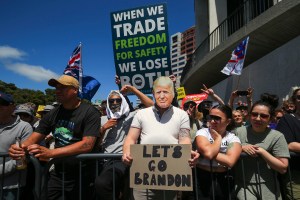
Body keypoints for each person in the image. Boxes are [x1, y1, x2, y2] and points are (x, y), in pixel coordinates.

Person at [9, 75, 101, 200]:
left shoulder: (90, 112)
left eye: (63, 87)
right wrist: (19, 148)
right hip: (58, 172)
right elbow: (34, 137)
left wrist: (51, 152)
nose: (57, 91)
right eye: (56, 88)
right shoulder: (53, 113)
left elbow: (87, 144)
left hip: (83, 175)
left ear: (75, 90)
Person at [122, 76, 199, 200]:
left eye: (166, 92)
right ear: (153, 94)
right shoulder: (141, 114)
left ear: (173, 94)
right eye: (158, 92)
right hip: (143, 177)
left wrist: (187, 153)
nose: (162, 96)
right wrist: (126, 152)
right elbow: (131, 138)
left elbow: (184, 139)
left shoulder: (182, 115)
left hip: (172, 177)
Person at [95, 84, 153, 200]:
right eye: (112, 100)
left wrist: (133, 90)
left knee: (104, 184)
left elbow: (152, 106)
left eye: (118, 100)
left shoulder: (132, 117)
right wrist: (103, 128)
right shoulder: (102, 120)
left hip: (123, 160)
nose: (115, 103)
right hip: (104, 161)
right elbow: (96, 144)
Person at [235, 93, 290, 200]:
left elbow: (283, 168)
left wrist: (262, 152)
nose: (258, 119)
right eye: (254, 114)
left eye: (264, 116)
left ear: (271, 119)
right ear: (250, 115)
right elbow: (226, 149)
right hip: (243, 185)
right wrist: (241, 148)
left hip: (269, 187)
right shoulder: (238, 132)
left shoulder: (277, 136)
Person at [195, 105, 241, 199]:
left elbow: (230, 161)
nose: (212, 121)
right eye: (210, 117)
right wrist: (218, 141)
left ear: (228, 121)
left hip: (224, 180)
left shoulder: (233, 138)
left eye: (217, 118)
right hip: (202, 178)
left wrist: (208, 149)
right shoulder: (202, 132)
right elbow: (208, 153)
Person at [0, 91, 33, 200]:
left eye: (2, 103)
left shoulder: (24, 127)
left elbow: (22, 159)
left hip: (10, 186)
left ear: (12, 107)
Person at [276, 88, 300, 200]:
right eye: (299, 97)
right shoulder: (287, 119)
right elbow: (289, 145)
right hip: (296, 175)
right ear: (294, 101)